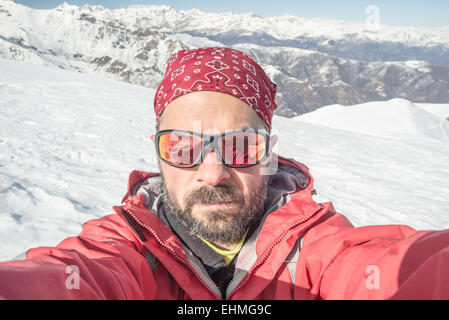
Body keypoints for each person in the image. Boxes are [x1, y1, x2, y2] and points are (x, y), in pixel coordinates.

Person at [0, 47, 448, 300]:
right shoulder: (128, 247)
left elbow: (389, 271)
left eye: (241, 145)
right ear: (158, 157)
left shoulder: (316, 248)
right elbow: (74, 277)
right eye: (183, 147)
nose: (212, 173)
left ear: (269, 155)